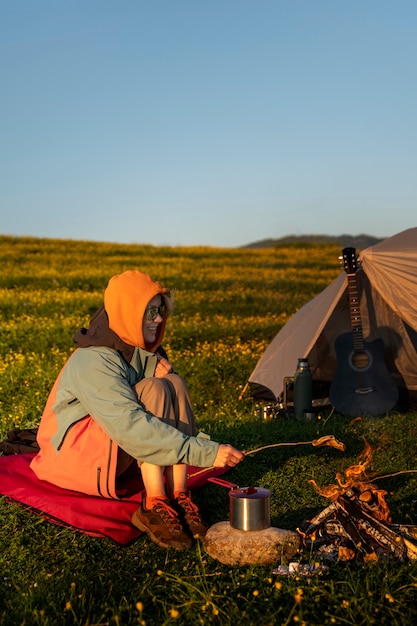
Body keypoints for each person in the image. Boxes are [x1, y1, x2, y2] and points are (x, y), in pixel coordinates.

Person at [30, 270, 244, 550]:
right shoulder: (93, 359)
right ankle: (153, 502)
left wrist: (153, 366)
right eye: (150, 312)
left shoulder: (141, 351)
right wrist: (205, 452)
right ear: (127, 312)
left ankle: (178, 492)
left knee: (172, 382)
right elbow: (129, 424)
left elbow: (172, 403)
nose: (158, 319)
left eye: (160, 311)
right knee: (153, 388)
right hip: (74, 455)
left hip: (111, 449)